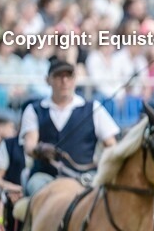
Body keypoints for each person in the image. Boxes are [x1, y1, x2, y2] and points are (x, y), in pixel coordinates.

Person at [20, 58, 119, 195]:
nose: (64, 81)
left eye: (68, 76)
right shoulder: (34, 110)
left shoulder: (93, 109)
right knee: (37, 190)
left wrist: (103, 164)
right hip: (45, 176)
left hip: (84, 176)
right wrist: (40, 149)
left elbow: (111, 145)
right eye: (58, 76)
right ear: (47, 80)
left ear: (75, 80)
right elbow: (29, 146)